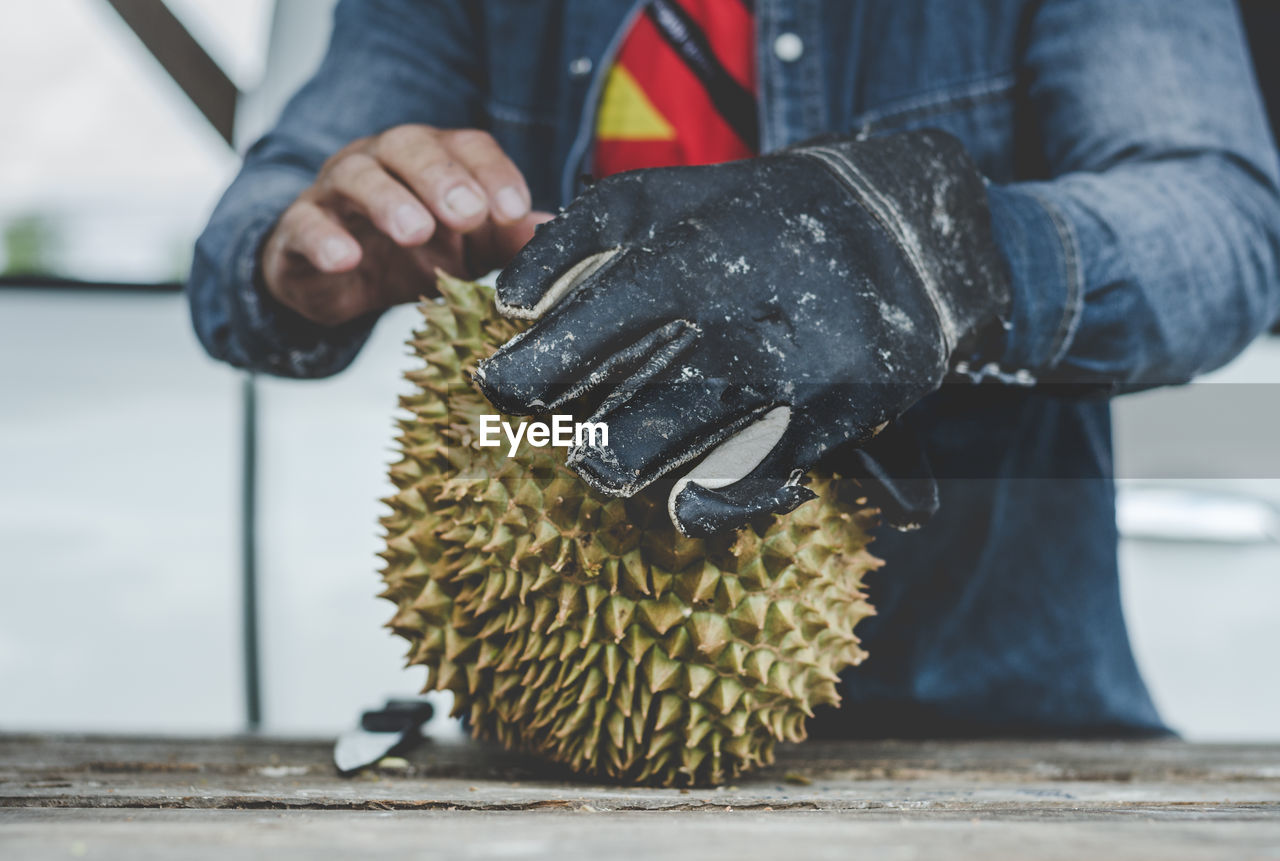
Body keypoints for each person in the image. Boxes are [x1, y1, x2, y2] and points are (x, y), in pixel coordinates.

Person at [189, 0, 1280, 738]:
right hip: (557, 746)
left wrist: (936, 247)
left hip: (998, 721)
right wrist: (304, 240)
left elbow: (1222, 224)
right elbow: (258, 218)